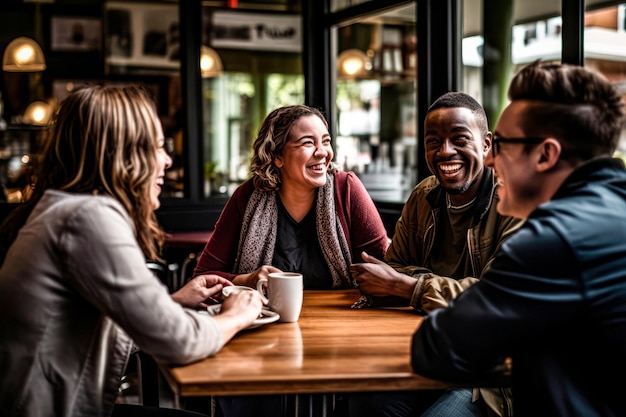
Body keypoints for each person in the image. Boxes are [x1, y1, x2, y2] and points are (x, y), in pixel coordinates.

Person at [0, 85, 265, 417]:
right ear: (122, 154)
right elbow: (178, 343)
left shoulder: (62, 208)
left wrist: (172, 303)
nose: (167, 160)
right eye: (157, 147)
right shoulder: (88, 217)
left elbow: (97, 325)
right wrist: (239, 315)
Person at [411, 62, 626, 416]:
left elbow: (436, 346)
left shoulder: (556, 238)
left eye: (503, 143)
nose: (491, 158)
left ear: (546, 154)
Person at [192, 104, 390, 417]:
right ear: (277, 156)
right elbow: (202, 278)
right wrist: (247, 279)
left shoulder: (346, 190)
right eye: (308, 143)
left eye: (325, 141)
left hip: (338, 341)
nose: (323, 152)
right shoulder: (246, 198)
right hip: (261, 344)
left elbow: (386, 271)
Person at [348, 92, 523, 417]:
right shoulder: (425, 196)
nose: (444, 151)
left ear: (486, 145)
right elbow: (394, 265)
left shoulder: (514, 203)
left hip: (490, 371)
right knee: (362, 403)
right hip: (429, 352)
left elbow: (496, 300)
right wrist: (416, 283)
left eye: (459, 138)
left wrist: (407, 287)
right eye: (433, 141)